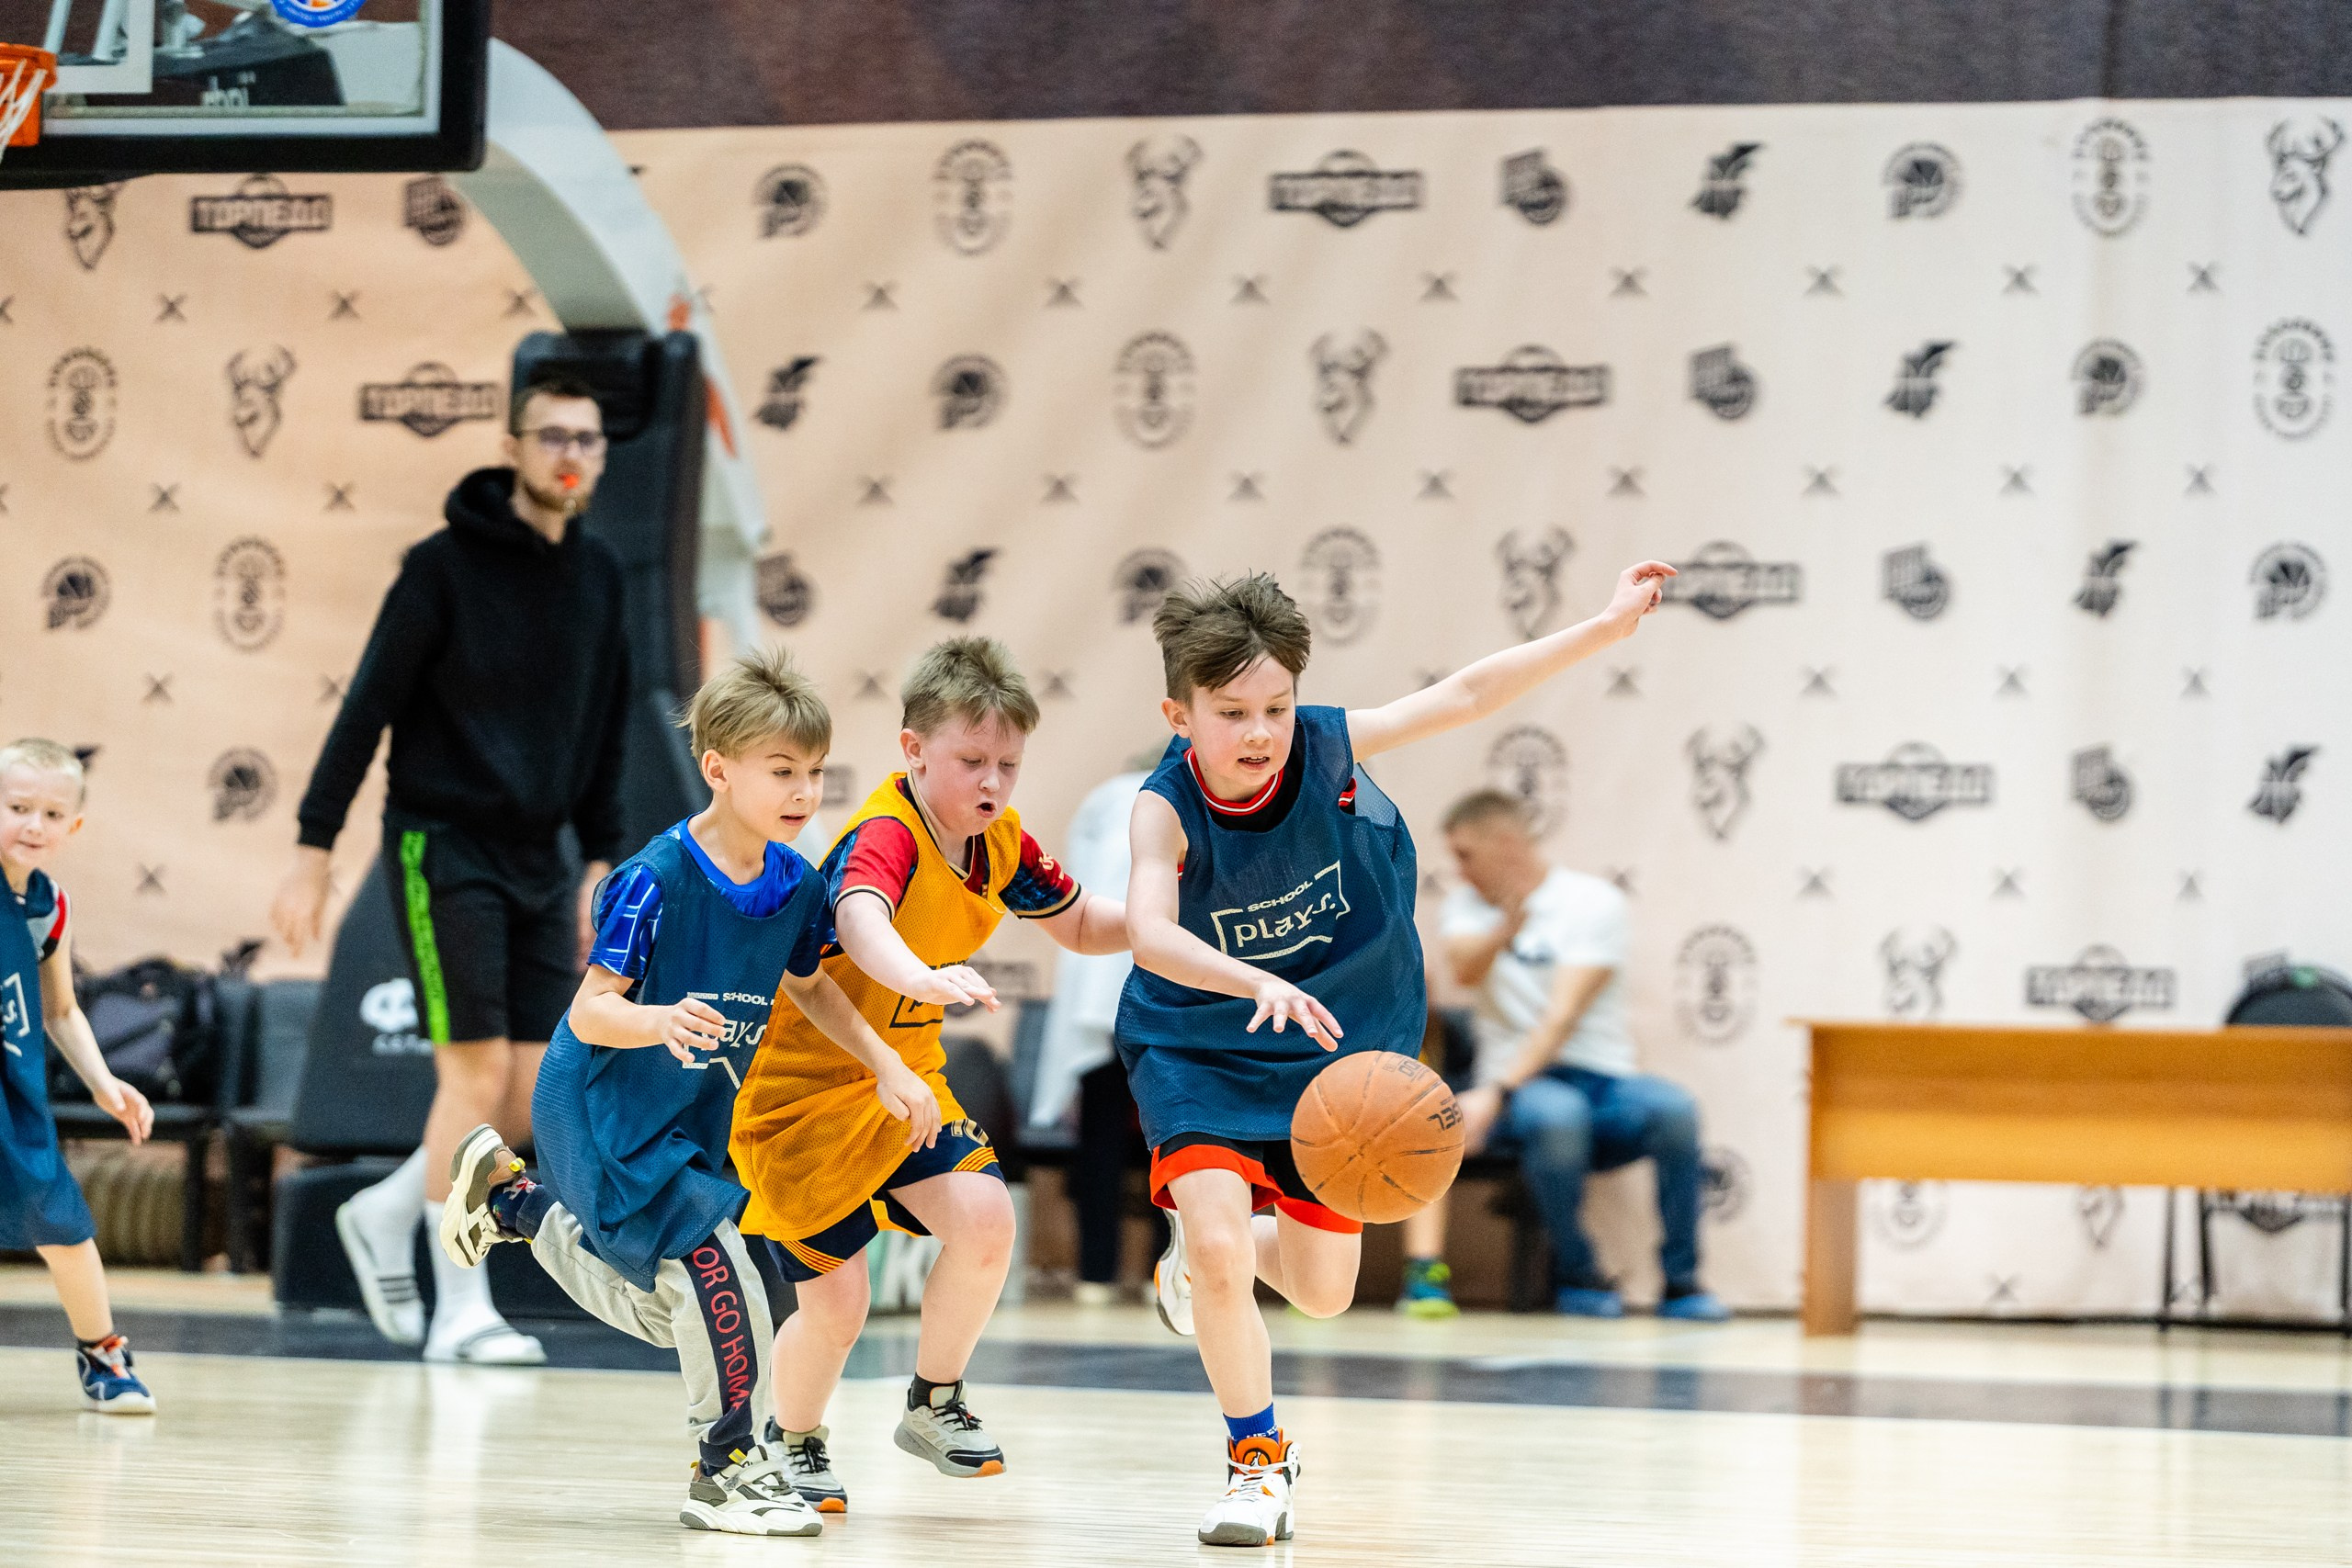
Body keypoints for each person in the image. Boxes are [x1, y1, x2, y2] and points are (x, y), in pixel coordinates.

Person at [1121, 561, 1674, 1549]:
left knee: (1324, 1292)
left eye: (1276, 708)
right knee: (1217, 1240)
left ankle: (1204, 1266)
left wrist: (1602, 627)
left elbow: (1466, 694)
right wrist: (1251, 981)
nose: (1259, 732)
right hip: (1199, 1038)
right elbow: (1151, 934)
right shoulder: (1163, 808)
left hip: (1332, 1042)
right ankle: (1256, 1461)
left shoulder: (1329, 746)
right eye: (1231, 713)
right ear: (1179, 714)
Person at [436, 648, 939, 1536]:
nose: (803, 791)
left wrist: (887, 1065)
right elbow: (590, 1012)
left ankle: (513, 1203)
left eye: (814, 772)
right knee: (721, 1272)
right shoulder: (653, 879)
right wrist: (660, 1019)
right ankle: (726, 1468)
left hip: (687, 1110)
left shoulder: (795, 882)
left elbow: (811, 986)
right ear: (718, 768)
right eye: (782, 770)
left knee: (686, 1306)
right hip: (601, 1102)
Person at [271, 367, 633, 1365]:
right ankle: (460, 1308)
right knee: (472, 1076)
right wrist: (312, 847)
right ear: (512, 448)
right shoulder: (440, 569)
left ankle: (388, 1209)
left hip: (544, 855)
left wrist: (600, 859)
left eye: (588, 439)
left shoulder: (602, 577)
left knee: (532, 1089)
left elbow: (605, 730)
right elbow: (366, 709)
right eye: (552, 435)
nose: (570, 454)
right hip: (443, 845)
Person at [730, 637, 1127, 1512]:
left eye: (1008, 764)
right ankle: (790, 1439)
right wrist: (920, 976)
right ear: (913, 749)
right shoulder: (887, 832)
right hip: (804, 1095)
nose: (992, 782)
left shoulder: (1000, 843)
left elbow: (1082, 922)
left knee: (986, 1218)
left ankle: (933, 1400)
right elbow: (861, 917)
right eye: (971, 760)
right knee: (838, 1306)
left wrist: (1167, 923)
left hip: (907, 1083)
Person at [1399, 791, 1730, 1323]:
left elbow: (1563, 1015)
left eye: (1466, 854)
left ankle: (1682, 1282)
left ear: (1506, 843)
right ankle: (1578, 1275)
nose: (1459, 870)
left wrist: (1496, 1093)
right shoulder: (1467, 906)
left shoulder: (1593, 902)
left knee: (1675, 1111)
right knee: (1558, 1117)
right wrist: (1505, 928)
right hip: (1526, 1091)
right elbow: (1463, 971)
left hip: (1596, 1081)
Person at [0, 739, 158, 1414]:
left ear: (74, 825)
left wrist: (102, 1082)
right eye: (17, 807)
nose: (34, 824)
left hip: (13, 1091)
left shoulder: (49, 907)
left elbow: (60, 1010)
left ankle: (103, 1354)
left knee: (60, 1224)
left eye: (51, 813)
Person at [1025, 764, 1159, 1304]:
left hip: (1103, 988)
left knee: (1104, 1139)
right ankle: (1167, 1276)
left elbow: (1078, 883)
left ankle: (1095, 1275)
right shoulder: (1194, 796)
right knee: (1174, 1139)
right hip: (1161, 990)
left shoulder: (1106, 798)